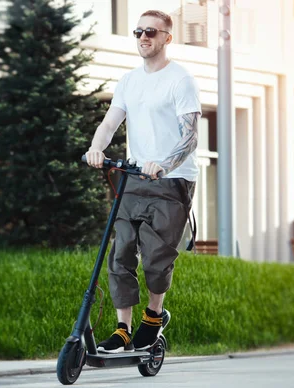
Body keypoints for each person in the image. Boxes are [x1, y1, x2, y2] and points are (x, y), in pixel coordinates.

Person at [85, 9, 201, 353]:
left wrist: (164, 164)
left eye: (151, 32)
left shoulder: (181, 80)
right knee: (120, 251)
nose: (143, 37)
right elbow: (109, 124)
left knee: (155, 257)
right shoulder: (129, 81)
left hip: (172, 181)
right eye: (138, 32)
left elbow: (190, 136)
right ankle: (122, 329)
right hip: (134, 177)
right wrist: (95, 147)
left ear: (167, 37)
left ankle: (153, 316)